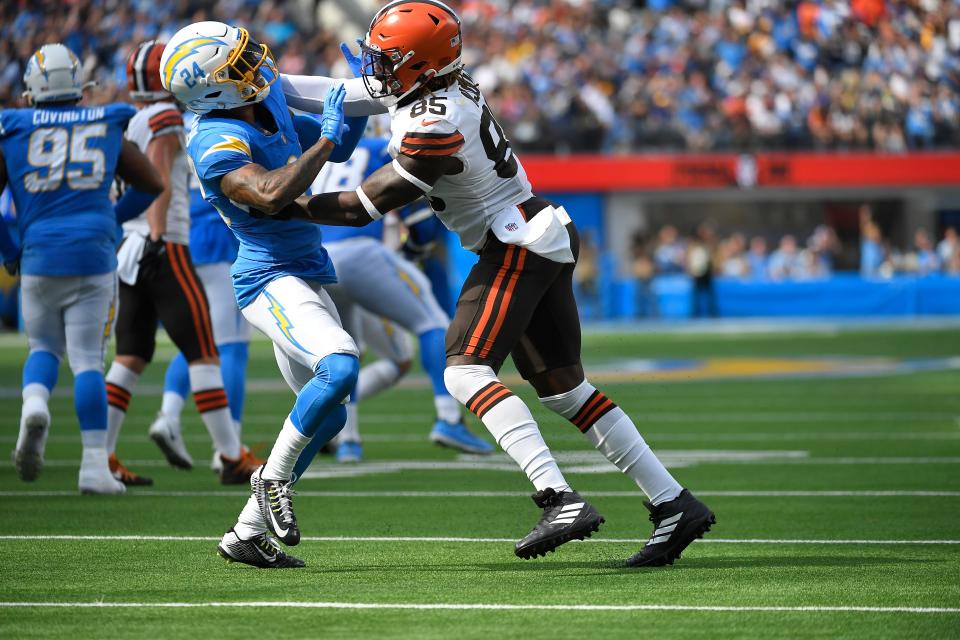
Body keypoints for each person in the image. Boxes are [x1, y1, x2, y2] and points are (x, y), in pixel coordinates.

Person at [278, 0, 715, 567]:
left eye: (388, 59)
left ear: (420, 65)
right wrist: (270, 81)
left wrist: (287, 204)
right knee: (564, 389)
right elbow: (340, 91)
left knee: (463, 370)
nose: (376, 68)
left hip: (515, 243)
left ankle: (558, 496)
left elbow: (366, 205)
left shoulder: (434, 120)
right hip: (535, 230)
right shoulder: (430, 85)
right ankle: (674, 503)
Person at [161, 20, 367, 568]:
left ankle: (245, 535)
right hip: (267, 276)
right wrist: (324, 135)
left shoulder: (261, 97)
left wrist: (366, 95)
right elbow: (273, 194)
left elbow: (339, 143)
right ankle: (271, 480)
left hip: (304, 268)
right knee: (341, 366)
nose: (256, 62)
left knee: (333, 417)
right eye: (239, 64)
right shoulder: (214, 140)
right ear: (212, 89)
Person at [0, 44, 162, 494]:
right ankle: (93, 467)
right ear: (77, 85)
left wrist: (10, 249)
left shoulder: (13, 126)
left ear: (32, 89)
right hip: (92, 254)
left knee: (43, 350)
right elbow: (152, 182)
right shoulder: (105, 119)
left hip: (40, 254)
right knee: (88, 360)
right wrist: (108, 221)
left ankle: (35, 404)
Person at [103, 41, 257, 486]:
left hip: (129, 249)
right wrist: (157, 235)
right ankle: (231, 455)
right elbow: (157, 179)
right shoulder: (165, 118)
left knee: (130, 356)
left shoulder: (127, 118)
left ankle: (102, 455)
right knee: (206, 353)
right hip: (161, 243)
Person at [309, 134, 493, 462]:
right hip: (362, 251)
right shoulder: (380, 146)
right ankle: (449, 417)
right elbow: (418, 216)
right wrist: (416, 246)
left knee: (346, 350)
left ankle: (348, 441)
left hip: (320, 256)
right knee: (433, 323)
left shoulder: (320, 153)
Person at [153, 108, 257, 475]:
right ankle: (228, 446)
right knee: (230, 345)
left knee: (197, 342)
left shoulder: (166, 120)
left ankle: (167, 414)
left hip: (180, 240)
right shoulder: (217, 118)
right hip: (215, 239)